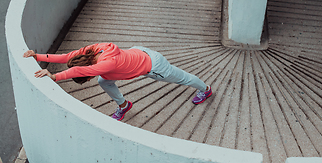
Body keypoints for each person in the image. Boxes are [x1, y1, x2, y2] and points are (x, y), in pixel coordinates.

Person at [23, 42, 212, 121]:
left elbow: (79, 70)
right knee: (104, 82)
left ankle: (206, 89)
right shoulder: (94, 50)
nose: (89, 77)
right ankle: (124, 105)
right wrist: (38, 56)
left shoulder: (105, 64)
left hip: (154, 66)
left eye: (87, 78)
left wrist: (55, 77)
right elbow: (67, 57)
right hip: (139, 52)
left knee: (183, 78)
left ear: (87, 74)